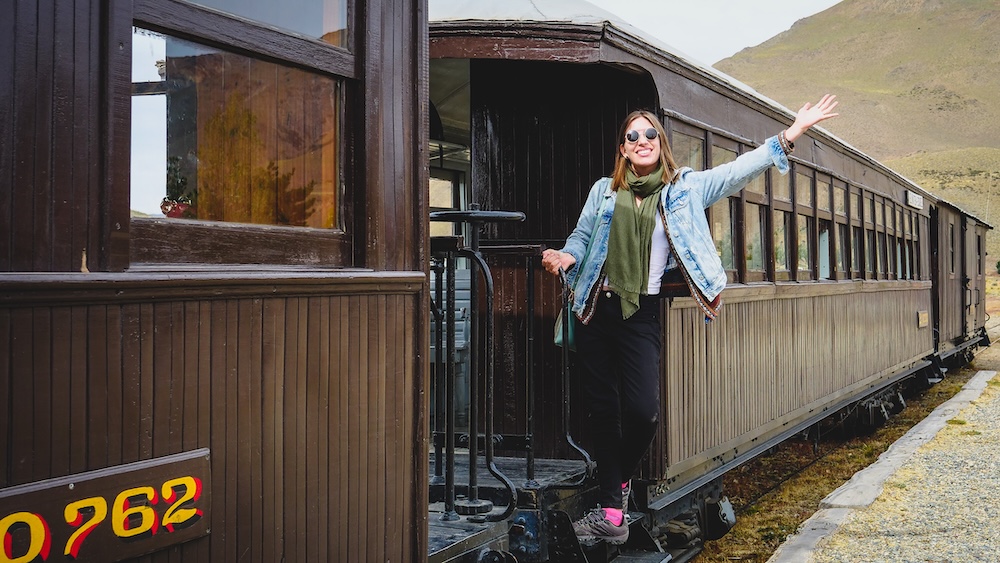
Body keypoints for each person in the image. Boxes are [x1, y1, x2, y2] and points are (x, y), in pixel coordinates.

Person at [541, 95, 839, 545]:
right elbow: (583, 236)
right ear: (622, 148)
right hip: (595, 310)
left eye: (650, 134)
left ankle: (616, 483)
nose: (642, 141)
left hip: (640, 311)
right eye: (632, 136)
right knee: (604, 411)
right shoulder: (604, 191)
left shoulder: (684, 188)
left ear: (660, 143)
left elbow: (737, 172)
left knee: (643, 412)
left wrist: (790, 134)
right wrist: (567, 254)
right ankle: (611, 515)